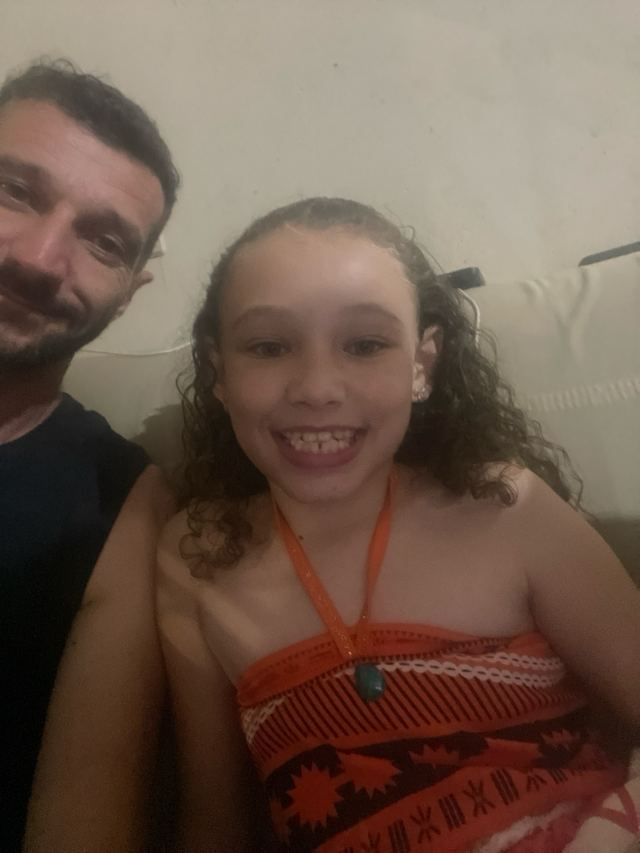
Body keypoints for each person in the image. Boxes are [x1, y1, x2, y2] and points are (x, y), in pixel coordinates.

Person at [157, 197, 640, 853]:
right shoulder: (195, 557)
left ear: (422, 365)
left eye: (366, 345)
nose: (318, 387)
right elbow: (215, 824)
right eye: (269, 347)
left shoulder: (507, 506)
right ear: (218, 371)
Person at [0, 59, 179, 852]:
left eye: (103, 242)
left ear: (132, 290)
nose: (40, 258)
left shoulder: (120, 504)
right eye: (14, 192)